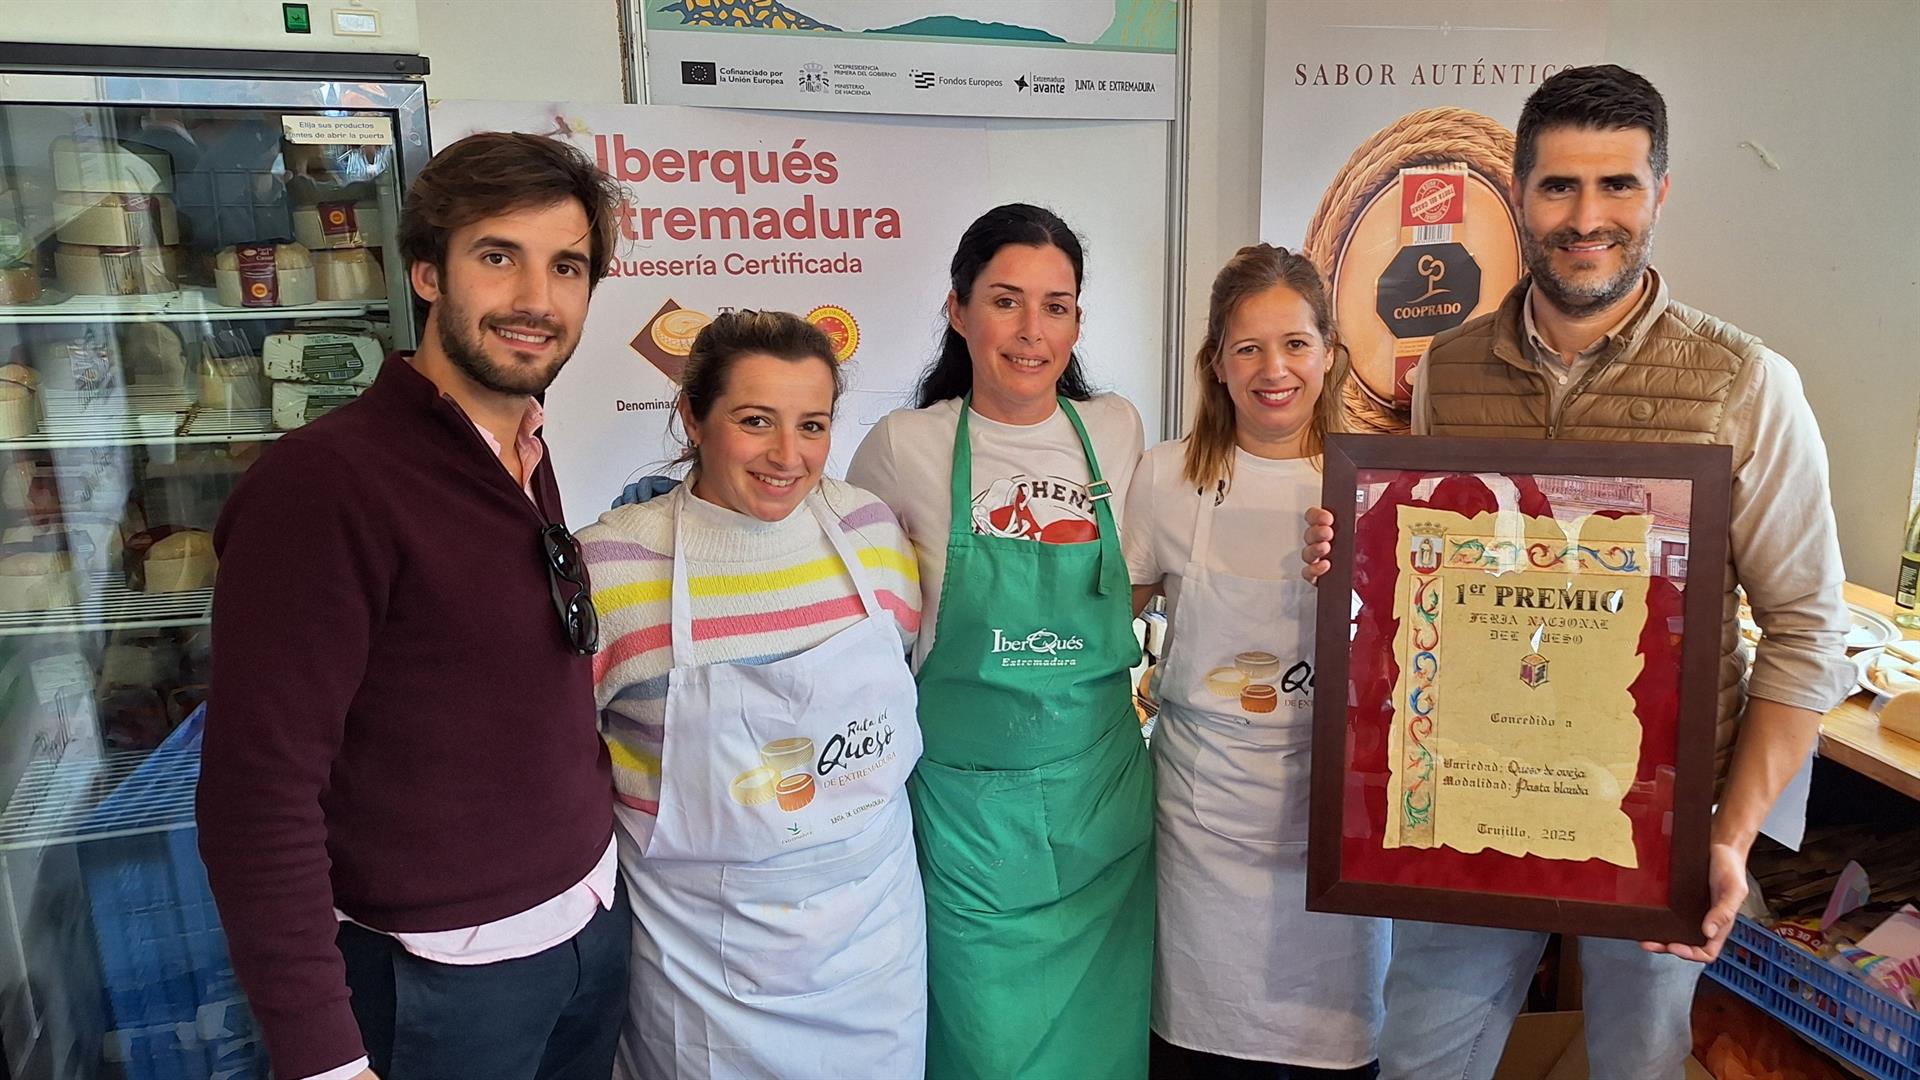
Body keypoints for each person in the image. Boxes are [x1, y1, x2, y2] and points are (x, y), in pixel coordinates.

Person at [1301, 65, 1854, 1079]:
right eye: (1559, 187)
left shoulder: (1745, 385)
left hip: (1654, 834)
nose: (1586, 217)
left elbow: (1806, 632)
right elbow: (1427, 590)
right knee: (1423, 1060)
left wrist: (1725, 843)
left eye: (1617, 187)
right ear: (1519, 192)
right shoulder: (1452, 371)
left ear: (1660, 194)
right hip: (1472, 811)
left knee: (1636, 1071)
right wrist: (1354, 565)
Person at [198, 132, 629, 1080]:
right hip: (441, 982)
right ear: (428, 272)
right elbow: (254, 796)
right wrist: (322, 1055)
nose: (535, 300)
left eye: (567, 266)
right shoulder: (325, 487)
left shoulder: (522, 448)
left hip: (588, 935)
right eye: (497, 257)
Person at [848, 202, 1153, 1080]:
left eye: (1056, 306)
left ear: (1078, 322)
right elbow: (861, 617)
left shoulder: (1119, 431)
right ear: (958, 310)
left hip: (1103, 805)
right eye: (1007, 300)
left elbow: (1173, 557)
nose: (1032, 331)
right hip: (970, 819)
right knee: (982, 1049)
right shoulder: (906, 445)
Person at [582, 310, 927, 1080]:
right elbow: (559, 750)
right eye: (755, 421)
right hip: (703, 969)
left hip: (875, 948)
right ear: (693, 419)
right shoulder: (613, 565)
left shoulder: (871, 534)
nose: (787, 455)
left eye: (812, 425)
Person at [1129, 244, 1387, 1079]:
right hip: (1204, 826)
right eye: (1247, 348)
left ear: (1329, 354)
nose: (1273, 370)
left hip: (1335, 828)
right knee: (1197, 1052)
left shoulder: (1379, 484)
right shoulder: (1166, 477)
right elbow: (1109, 628)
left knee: (1336, 1054)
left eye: (1295, 345)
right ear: (1216, 364)